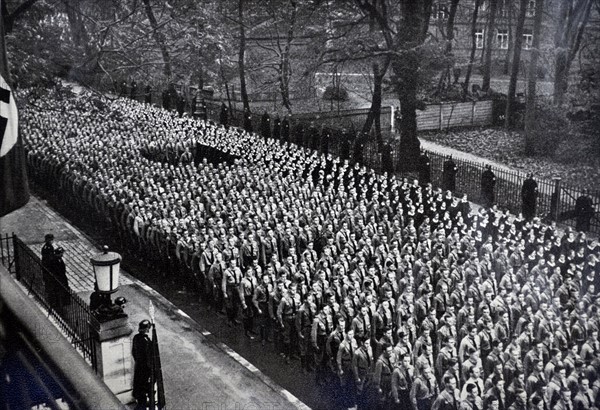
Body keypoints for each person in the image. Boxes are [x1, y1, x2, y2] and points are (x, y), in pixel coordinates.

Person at [132, 320, 153, 407]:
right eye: (148, 328)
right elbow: (149, 356)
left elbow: (134, 352)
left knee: (138, 383)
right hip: (145, 368)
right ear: (146, 329)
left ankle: (141, 400)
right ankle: (143, 403)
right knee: (145, 385)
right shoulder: (147, 341)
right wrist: (151, 368)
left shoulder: (136, 337)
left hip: (139, 365)